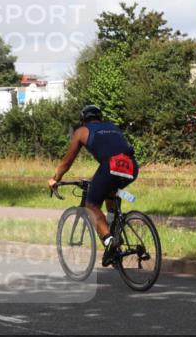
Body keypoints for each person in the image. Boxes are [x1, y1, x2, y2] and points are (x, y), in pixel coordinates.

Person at [48, 105, 138, 265]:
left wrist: (55, 178)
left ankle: (110, 240)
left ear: (83, 120)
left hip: (110, 166)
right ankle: (115, 227)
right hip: (131, 166)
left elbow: (67, 161)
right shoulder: (112, 126)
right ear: (100, 118)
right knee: (111, 192)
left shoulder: (82, 131)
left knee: (91, 204)